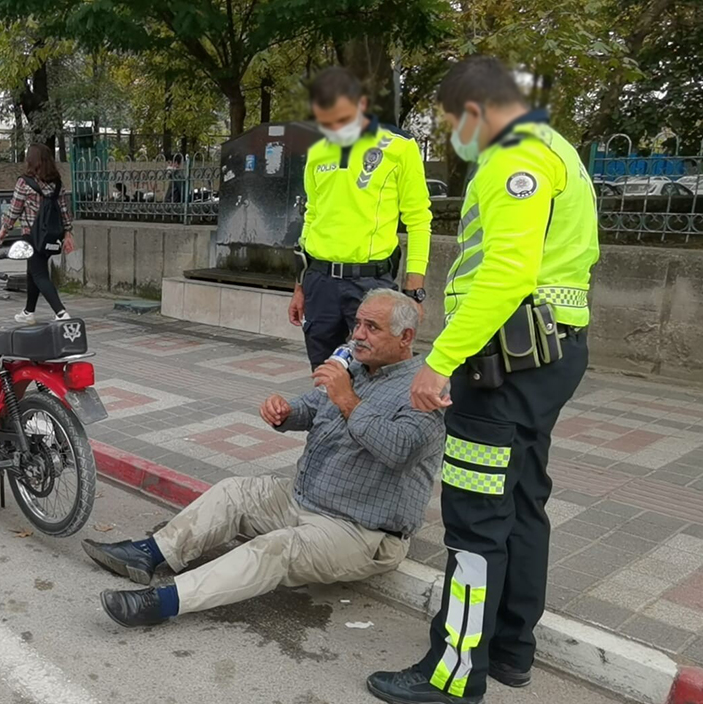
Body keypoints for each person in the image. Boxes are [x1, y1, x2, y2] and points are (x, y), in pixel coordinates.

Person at [367, 57, 599, 704]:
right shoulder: (559, 150)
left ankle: (453, 672)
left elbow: (506, 274)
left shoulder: (511, 159)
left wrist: (441, 360)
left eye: (449, 121)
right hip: (549, 357)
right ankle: (510, 651)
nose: (452, 135)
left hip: (502, 365)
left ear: (474, 110)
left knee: (474, 522)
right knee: (523, 502)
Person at [86, 290, 443, 627]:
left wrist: (347, 398)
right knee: (232, 492)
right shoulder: (359, 369)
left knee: (274, 549)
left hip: (361, 530)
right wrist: (285, 411)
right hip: (304, 499)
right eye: (358, 324)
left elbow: (399, 450)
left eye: (372, 328)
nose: (357, 335)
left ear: (406, 337)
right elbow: (315, 404)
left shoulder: (424, 390)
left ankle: (163, 602)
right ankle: (150, 553)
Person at [291, 67, 433, 368]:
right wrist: (300, 286)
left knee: (376, 372)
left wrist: (413, 290)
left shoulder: (399, 147)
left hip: (370, 283)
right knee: (325, 374)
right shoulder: (317, 151)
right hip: (320, 284)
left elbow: (419, 219)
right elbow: (312, 215)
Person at [0, 143, 76, 323]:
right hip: (51, 235)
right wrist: (67, 233)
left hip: (31, 235)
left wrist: (4, 230)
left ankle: (61, 312)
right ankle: (28, 312)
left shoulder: (24, 182)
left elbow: (15, 210)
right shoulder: (57, 183)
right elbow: (64, 211)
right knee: (33, 270)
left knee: (39, 273)